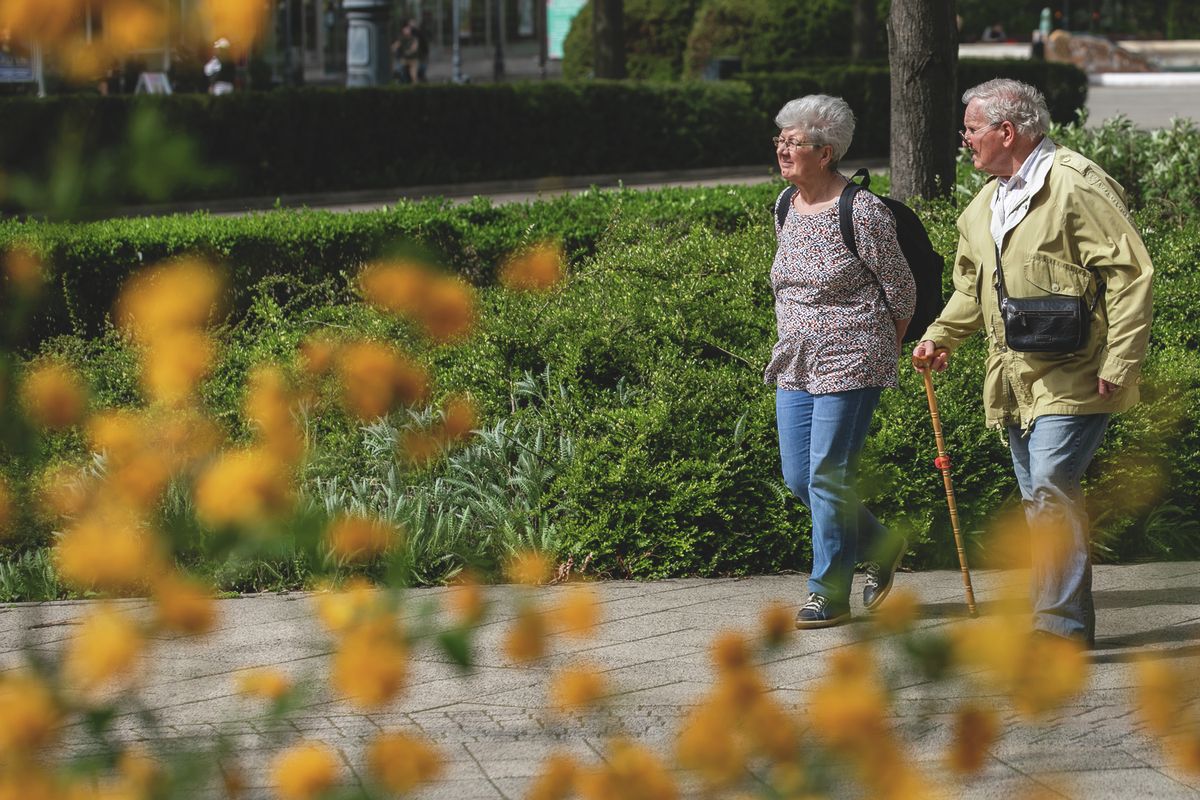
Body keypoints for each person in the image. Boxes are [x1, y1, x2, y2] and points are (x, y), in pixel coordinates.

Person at [912, 78, 1154, 647]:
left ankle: (1061, 627)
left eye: (971, 129)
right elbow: (974, 289)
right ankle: (1058, 619)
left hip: (1077, 368)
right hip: (1015, 377)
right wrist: (941, 336)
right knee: (1040, 497)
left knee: (1049, 485)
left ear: (1007, 131)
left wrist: (1120, 362)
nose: (964, 140)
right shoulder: (983, 206)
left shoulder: (1074, 185)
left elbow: (1131, 277)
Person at [766, 95, 916, 629]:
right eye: (780, 139)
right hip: (796, 360)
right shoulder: (785, 204)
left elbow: (901, 292)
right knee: (797, 476)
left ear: (825, 153)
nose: (783, 148)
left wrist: (879, 350)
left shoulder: (863, 211)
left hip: (852, 357)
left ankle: (827, 591)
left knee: (828, 475)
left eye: (795, 142)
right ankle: (881, 543)